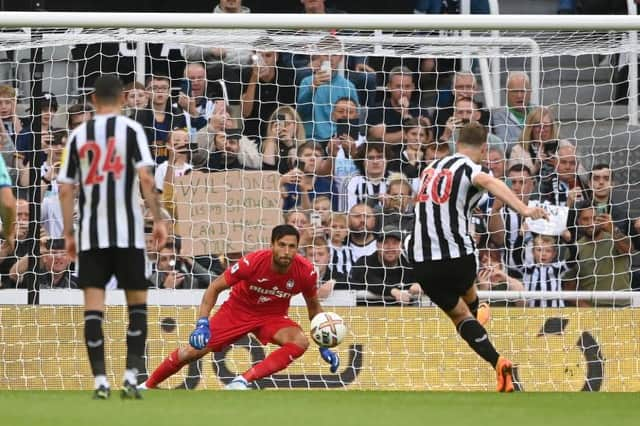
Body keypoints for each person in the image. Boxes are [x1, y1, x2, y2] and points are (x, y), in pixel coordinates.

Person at [408, 121, 547, 392]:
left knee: (460, 319)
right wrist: (524, 209)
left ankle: (498, 362)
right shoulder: (473, 168)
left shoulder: (429, 168)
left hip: (423, 261)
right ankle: (477, 308)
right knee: (465, 286)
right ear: (484, 149)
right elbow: (488, 181)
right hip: (459, 256)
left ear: (457, 144)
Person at [57, 75, 167, 399]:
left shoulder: (78, 134)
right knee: (137, 307)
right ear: (122, 99)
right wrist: (158, 219)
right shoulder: (132, 131)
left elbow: (65, 188)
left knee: (94, 309)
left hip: (91, 236)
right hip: (130, 236)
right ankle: (131, 376)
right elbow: (146, 177)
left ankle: (100, 381)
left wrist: (68, 232)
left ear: (92, 100)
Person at [139, 225, 340, 391]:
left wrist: (322, 343)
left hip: (272, 316)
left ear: (298, 248)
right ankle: (148, 385)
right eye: (282, 245)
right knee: (191, 352)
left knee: (300, 341)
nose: (286, 251)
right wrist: (202, 322)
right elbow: (214, 288)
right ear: (272, 245)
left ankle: (242, 381)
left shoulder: (305, 272)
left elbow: (314, 308)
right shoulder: (252, 262)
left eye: (292, 247)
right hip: (237, 310)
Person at [563, 201, 633, 307]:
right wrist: (588, 310)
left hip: (623, 305)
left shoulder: (615, 238)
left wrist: (612, 229)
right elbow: (569, 287)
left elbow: (629, 250)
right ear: (578, 222)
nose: (591, 223)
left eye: (595, 218)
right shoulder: (574, 248)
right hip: (592, 309)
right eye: (585, 219)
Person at [350, 226, 422, 305]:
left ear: (401, 245)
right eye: (385, 242)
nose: (390, 247)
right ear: (377, 245)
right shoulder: (364, 263)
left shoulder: (408, 266)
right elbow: (371, 280)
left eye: (395, 243)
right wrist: (393, 291)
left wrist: (419, 284)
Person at [521, 234, 568, 308]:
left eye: (548, 251)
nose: (543, 254)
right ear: (533, 252)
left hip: (555, 312)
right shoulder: (529, 269)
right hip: (532, 312)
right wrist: (520, 237)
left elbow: (574, 259)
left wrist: (568, 240)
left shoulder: (557, 268)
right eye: (539, 250)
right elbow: (516, 256)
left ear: (554, 254)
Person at [490, 72, 532, 144]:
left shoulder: (539, 112)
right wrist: (533, 140)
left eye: (523, 91)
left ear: (530, 92)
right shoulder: (498, 115)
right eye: (514, 91)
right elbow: (505, 144)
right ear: (506, 93)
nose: (519, 95)